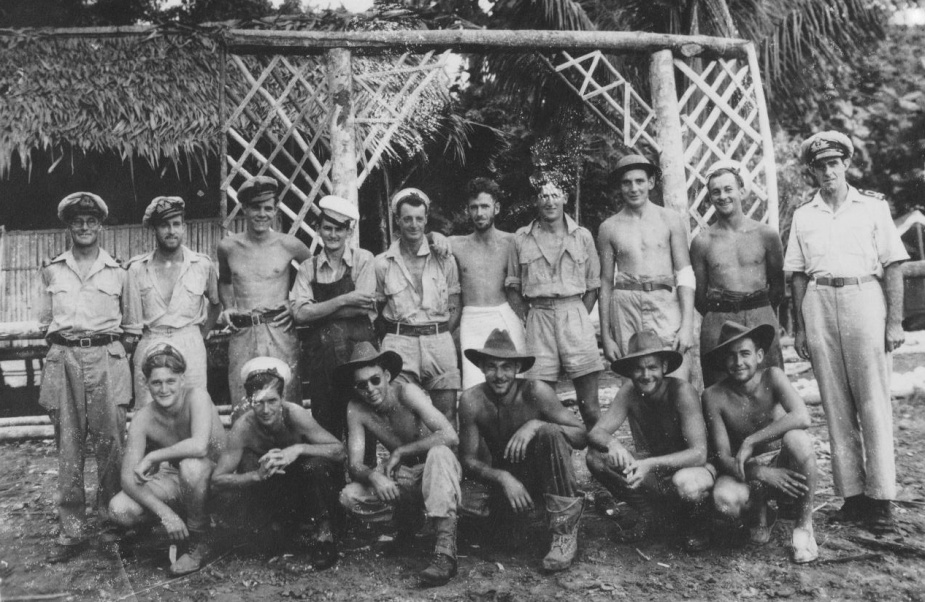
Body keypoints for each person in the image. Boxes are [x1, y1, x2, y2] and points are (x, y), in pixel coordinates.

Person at [784, 130, 908, 533]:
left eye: (834, 164)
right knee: (835, 403)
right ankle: (853, 497)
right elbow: (798, 276)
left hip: (863, 297)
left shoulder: (872, 208)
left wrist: (893, 322)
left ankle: (882, 499)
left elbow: (893, 265)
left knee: (873, 400)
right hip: (820, 302)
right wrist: (801, 329)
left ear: (846, 164)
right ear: (813, 172)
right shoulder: (805, 215)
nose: (828, 172)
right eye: (820, 166)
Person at [37, 192, 131, 563]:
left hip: (107, 357)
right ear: (69, 226)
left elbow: (132, 323)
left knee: (111, 442)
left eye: (91, 221)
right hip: (65, 358)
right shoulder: (52, 270)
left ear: (101, 225)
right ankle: (72, 529)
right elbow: (44, 320)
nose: (85, 227)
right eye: (78, 221)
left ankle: (113, 523)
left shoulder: (117, 271)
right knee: (69, 445)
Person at [458, 329, 587, 572]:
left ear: (517, 368)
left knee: (550, 432)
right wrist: (503, 478)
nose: (499, 375)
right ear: (482, 367)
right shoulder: (471, 400)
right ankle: (528, 518)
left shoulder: (535, 391)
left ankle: (564, 532)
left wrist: (536, 424)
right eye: (492, 367)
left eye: (506, 367)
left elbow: (581, 435)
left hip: (543, 476)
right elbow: (467, 459)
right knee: (498, 535)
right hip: (506, 481)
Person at [336, 343, 462, 586]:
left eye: (374, 380)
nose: (370, 389)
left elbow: (450, 436)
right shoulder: (356, 409)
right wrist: (374, 477)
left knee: (438, 453)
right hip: (405, 476)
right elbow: (355, 465)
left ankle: (445, 552)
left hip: (437, 470)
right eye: (362, 385)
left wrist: (402, 450)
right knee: (350, 496)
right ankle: (408, 525)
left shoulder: (407, 392)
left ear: (386, 375)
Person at [586, 330, 714, 551]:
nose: (646, 375)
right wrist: (614, 444)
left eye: (652, 367)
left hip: (693, 469)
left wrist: (648, 464)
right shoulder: (629, 391)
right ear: (630, 371)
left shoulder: (681, 391)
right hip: (656, 469)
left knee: (687, 485)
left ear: (664, 367)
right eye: (638, 368)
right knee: (596, 457)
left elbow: (699, 453)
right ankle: (649, 514)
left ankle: (696, 524)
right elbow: (597, 432)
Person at [702, 321, 818, 563]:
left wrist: (751, 440)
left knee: (798, 438)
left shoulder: (773, 376)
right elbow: (723, 456)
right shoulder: (714, 395)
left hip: (780, 462)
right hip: (747, 470)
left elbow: (802, 416)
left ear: (759, 355)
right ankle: (761, 513)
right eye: (731, 356)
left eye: (745, 353)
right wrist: (760, 472)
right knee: (724, 500)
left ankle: (804, 525)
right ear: (724, 361)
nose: (738, 362)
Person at [211, 357, 344, 569]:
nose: (265, 410)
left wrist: (298, 449)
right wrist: (255, 475)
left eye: (272, 401)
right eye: (258, 402)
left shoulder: (295, 415)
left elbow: (339, 451)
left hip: (307, 486)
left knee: (316, 465)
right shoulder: (243, 428)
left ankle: (325, 535)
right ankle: (278, 532)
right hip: (274, 491)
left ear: (282, 398)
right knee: (248, 461)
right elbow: (217, 480)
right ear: (248, 400)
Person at [108, 344, 228, 575]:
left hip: (217, 478)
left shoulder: (198, 397)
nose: (164, 389)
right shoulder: (143, 417)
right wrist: (165, 514)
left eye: (170, 381)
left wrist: (154, 455)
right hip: (178, 478)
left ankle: (199, 541)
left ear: (182, 380)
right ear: (146, 384)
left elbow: (200, 446)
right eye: (156, 383)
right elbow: (127, 478)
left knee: (191, 466)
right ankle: (175, 525)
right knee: (120, 509)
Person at [356, 188, 461, 424]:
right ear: (398, 220)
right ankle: (411, 460)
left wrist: (441, 333)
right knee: (400, 413)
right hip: (399, 342)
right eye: (407, 219)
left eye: (419, 219)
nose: (413, 225)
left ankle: (445, 461)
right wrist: (393, 338)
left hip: (439, 340)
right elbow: (377, 310)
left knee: (446, 414)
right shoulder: (382, 263)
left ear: (426, 220)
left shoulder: (444, 258)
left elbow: (455, 303)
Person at [505, 172, 602, 427]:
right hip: (538, 318)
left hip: (575, 315)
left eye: (555, 195)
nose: (549, 201)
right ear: (536, 200)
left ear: (565, 198)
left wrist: (578, 313)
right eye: (543, 195)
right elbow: (513, 286)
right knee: (540, 403)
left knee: (591, 407)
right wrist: (530, 318)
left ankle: (600, 461)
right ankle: (556, 460)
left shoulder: (582, 236)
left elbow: (593, 285)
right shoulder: (521, 238)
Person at [217, 176, 312, 414]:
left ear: (275, 210)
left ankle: (289, 450)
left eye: (268, 208)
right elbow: (225, 281)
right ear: (245, 209)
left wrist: (295, 306)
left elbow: (314, 277)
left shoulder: (290, 245)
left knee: (286, 398)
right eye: (255, 207)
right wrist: (228, 306)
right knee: (244, 401)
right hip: (243, 332)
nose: (262, 214)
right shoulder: (228, 247)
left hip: (279, 330)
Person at [597, 155, 696, 380]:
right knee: (634, 377)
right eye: (626, 182)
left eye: (640, 181)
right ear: (619, 186)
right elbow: (605, 281)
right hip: (626, 305)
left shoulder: (670, 219)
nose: (634, 188)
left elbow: (684, 272)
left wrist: (688, 325)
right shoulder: (609, 227)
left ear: (651, 183)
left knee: (674, 373)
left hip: (664, 302)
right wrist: (606, 336)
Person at [292, 195, 378, 445]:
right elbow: (299, 313)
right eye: (327, 228)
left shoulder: (364, 259)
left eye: (338, 229)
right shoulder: (308, 268)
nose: (332, 235)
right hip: (322, 358)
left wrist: (318, 312)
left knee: (364, 414)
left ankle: (366, 473)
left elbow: (362, 308)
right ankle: (331, 481)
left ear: (348, 232)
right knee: (325, 419)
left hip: (359, 353)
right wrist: (344, 300)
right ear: (318, 230)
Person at [690, 161, 785, 387]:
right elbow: (700, 297)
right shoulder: (703, 241)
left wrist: (755, 309)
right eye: (716, 192)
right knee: (720, 385)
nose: (722, 196)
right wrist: (724, 311)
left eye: (728, 189)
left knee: (769, 383)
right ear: (710, 198)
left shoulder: (766, 235)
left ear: (741, 191)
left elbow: (778, 288)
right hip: (719, 319)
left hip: (759, 315)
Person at [123, 196, 221, 407]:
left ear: (184, 227)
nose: (171, 231)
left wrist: (201, 334)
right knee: (149, 409)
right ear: (154, 229)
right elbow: (131, 320)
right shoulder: (136, 269)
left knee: (194, 407)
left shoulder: (201, 265)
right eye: (164, 225)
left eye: (176, 224)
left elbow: (216, 303)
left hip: (190, 341)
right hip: (151, 340)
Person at [449, 178, 527, 390]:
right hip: (471, 319)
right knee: (474, 386)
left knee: (514, 384)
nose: (479, 213)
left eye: (485, 206)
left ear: (497, 208)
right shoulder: (455, 244)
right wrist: (433, 235)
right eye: (474, 207)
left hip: (505, 315)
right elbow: (426, 239)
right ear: (468, 210)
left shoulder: (513, 241)